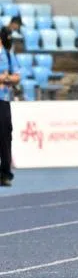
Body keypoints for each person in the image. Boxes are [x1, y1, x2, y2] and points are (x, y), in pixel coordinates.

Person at [0, 23, 18, 187]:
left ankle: (5, 173)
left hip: (3, 100)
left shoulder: (7, 53)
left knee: (5, 136)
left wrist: (5, 79)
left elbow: (16, 77)